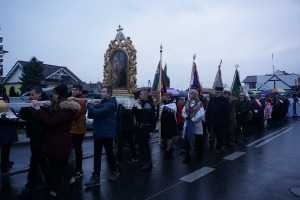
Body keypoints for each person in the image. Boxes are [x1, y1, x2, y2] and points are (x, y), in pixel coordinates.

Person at [32, 84, 80, 199]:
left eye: (56, 94)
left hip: (60, 142)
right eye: (53, 93)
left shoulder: (67, 110)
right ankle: (73, 181)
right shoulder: (59, 107)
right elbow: (53, 116)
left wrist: (38, 110)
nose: (53, 96)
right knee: (60, 167)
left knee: (56, 170)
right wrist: (44, 109)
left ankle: (53, 193)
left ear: (60, 95)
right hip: (55, 141)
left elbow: (52, 121)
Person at [16, 86, 53, 199]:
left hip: (41, 137)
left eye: (32, 95)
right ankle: (50, 182)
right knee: (42, 162)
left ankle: (29, 187)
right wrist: (25, 107)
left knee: (34, 163)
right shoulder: (33, 104)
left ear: (39, 94)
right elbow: (23, 116)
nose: (30, 97)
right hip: (34, 136)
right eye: (30, 95)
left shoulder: (46, 104)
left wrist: (35, 108)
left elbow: (41, 119)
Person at [85, 86, 119, 188]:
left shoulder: (111, 104)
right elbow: (91, 115)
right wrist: (93, 106)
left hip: (107, 133)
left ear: (109, 94)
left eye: (104, 92)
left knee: (109, 154)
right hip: (98, 133)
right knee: (97, 155)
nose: (101, 93)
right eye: (101, 91)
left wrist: (90, 105)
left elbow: (98, 113)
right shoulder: (101, 103)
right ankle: (96, 177)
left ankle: (114, 171)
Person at [132, 90, 156, 170]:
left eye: (141, 94)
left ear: (146, 95)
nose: (140, 96)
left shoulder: (148, 105)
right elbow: (134, 113)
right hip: (139, 127)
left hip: (145, 128)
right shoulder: (141, 103)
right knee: (145, 145)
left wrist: (152, 130)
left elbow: (152, 118)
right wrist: (136, 105)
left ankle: (148, 161)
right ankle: (148, 160)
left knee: (142, 145)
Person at [181, 89, 205, 163]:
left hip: (196, 124)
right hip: (188, 124)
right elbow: (183, 112)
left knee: (198, 139)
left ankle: (199, 153)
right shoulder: (187, 103)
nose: (190, 95)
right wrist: (186, 117)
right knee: (187, 140)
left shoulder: (199, 104)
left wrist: (193, 119)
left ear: (194, 95)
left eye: (191, 94)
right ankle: (187, 156)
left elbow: (201, 114)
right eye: (189, 94)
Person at [205, 87, 230, 153]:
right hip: (213, 120)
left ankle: (218, 147)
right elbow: (208, 109)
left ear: (221, 93)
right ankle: (221, 145)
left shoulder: (225, 100)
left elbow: (227, 112)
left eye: (218, 92)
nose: (216, 94)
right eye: (216, 92)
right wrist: (207, 118)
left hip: (221, 121)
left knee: (220, 134)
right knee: (216, 134)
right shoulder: (212, 99)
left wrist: (226, 121)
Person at [69, 84, 87, 178]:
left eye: (76, 90)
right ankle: (68, 170)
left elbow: (74, 113)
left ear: (80, 91)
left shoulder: (81, 101)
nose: (73, 91)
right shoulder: (72, 99)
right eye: (73, 89)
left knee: (77, 149)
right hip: (71, 129)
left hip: (78, 129)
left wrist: (71, 104)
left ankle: (79, 169)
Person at [0, 96, 18, 168]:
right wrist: (11, 120)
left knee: (8, 147)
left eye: (7, 100)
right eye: (5, 100)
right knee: (5, 147)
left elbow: (15, 115)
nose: (6, 101)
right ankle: (4, 162)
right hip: (3, 131)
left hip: (10, 131)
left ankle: (6, 160)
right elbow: (1, 120)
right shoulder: (1, 109)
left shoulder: (9, 108)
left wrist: (16, 119)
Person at [160, 93, 177, 160]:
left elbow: (169, 114)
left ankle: (168, 151)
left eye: (168, 98)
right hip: (164, 123)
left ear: (171, 98)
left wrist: (161, 118)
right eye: (166, 97)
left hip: (170, 124)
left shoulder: (172, 105)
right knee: (164, 137)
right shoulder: (163, 104)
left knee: (169, 137)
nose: (167, 98)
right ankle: (167, 146)